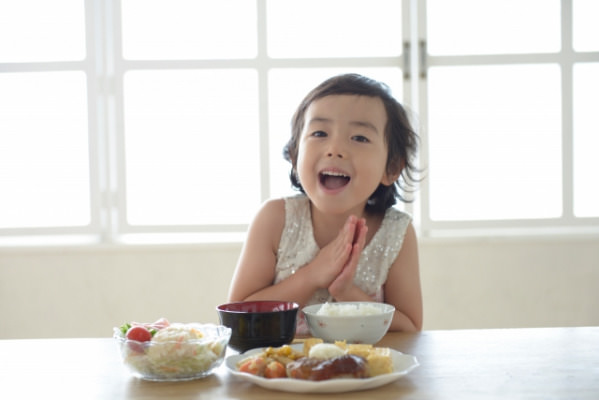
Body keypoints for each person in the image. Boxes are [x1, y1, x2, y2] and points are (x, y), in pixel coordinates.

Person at [228, 73, 422, 335]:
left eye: (360, 138)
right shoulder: (274, 219)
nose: (335, 149)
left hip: (362, 373)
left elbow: (409, 328)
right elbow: (237, 315)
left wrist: (346, 292)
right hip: (279, 371)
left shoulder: (396, 232)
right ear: (296, 156)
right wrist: (312, 275)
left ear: (391, 167)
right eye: (320, 133)